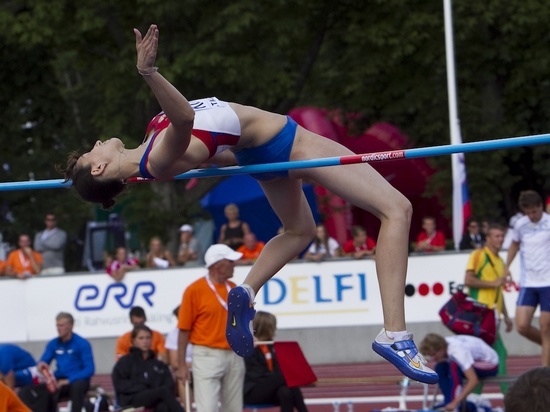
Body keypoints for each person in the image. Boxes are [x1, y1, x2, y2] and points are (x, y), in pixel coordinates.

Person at [60, 24, 437, 384]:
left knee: (300, 231)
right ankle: (395, 334)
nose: (97, 143)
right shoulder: (156, 159)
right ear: (99, 167)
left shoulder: (149, 150)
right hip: (288, 143)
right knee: (397, 209)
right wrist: (149, 72)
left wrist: (269, 165)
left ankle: (247, 290)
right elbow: (186, 118)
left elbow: (210, 147)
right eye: (92, 151)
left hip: (257, 153)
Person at [176, 244, 246, 411]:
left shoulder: (234, 288)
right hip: (206, 355)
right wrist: (181, 365)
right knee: (207, 408)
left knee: (234, 408)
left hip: (234, 355)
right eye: (230, 261)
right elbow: (184, 329)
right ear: (217, 265)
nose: (234, 265)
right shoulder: (194, 290)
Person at [464, 222, 513, 393]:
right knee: (498, 354)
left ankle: (473, 397)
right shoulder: (478, 255)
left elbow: (498, 291)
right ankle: (507, 395)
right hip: (480, 314)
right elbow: (468, 280)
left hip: (493, 316)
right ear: (488, 238)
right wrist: (493, 283)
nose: (500, 239)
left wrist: (506, 315)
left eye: (502, 236)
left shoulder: (499, 260)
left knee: (486, 356)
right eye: (497, 236)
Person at [505, 190, 550, 366]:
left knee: (546, 327)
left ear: (541, 207)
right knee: (522, 326)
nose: (531, 216)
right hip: (529, 282)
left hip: (548, 282)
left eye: (534, 212)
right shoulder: (520, 225)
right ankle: (548, 347)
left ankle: (545, 375)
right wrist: (506, 267)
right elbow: (514, 244)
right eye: (528, 212)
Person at [244, 311, 308, 412]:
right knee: (285, 377)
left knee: (285, 391)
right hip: (252, 392)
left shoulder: (271, 346)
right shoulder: (249, 348)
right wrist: (276, 378)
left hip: (270, 391)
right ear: (267, 328)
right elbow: (255, 375)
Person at [112, 325, 184, 412]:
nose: (145, 341)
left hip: (154, 397)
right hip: (131, 398)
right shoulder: (125, 362)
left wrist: (152, 390)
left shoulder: (158, 364)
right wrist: (145, 387)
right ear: (133, 340)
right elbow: (120, 384)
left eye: (148, 338)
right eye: (141, 338)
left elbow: (169, 384)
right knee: (163, 392)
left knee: (163, 406)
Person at [419, 333, 498, 412]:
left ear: (441, 348)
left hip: (490, 363)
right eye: (430, 356)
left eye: (434, 354)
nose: (433, 359)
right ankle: (449, 403)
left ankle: (455, 406)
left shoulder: (457, 351)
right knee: (440, 367)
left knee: (455, 366)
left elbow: (473, 380)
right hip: (474, 361)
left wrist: (456, 402)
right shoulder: (445, 346)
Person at [38, 312, 95, 412]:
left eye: (62, 325)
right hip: (60, 379)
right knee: (44, 389)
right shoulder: (53, 343)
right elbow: (44, 360)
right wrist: (41, 365)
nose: (58, 328)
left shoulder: (82, 343)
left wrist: (69, 380)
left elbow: (90, 369)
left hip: (77, 379)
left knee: (77, 386)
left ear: (70, 326)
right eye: (57, 325)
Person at [165, 305, 192, 404]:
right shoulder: (173, 335)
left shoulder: (202, 330)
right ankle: (188, 409)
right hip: (188, 372)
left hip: (206, 370)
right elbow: (175, 363)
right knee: (181, 377)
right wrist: (196, 363)